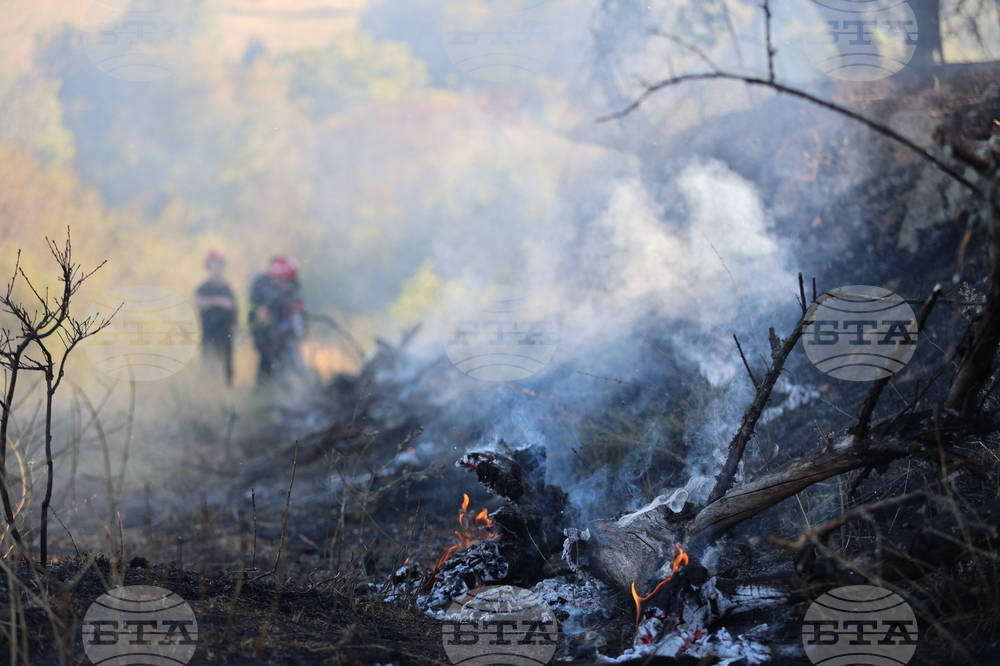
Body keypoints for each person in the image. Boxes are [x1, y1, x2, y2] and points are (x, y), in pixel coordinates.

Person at [248, 256, 306, 385]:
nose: (272, 281)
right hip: (275, 344)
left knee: (296, 371)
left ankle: (309, 391)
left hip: (288, 343)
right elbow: (260, 316)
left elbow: (298, 325)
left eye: (275, 277)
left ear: (283, 278)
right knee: (275, 374)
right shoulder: (277, 296)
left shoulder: (292, 297)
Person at [195, 249, 237, 385]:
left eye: (219, 265)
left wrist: (234, 325)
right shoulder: (203, 288)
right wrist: (218, 301)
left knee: (226, 367)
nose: (217, 268)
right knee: (209, 363)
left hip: (225, 334)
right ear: (209, 267)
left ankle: (225, 393)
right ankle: (209, 392)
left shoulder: (228, 289)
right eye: (214, 265)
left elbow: (234, 308)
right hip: (209, 333)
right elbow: (197, 302)